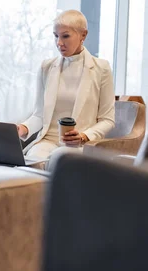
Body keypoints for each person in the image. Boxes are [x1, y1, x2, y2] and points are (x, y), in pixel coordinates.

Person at [17, 9, 115, 161]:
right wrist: (23, 128)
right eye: (56, 36)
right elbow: (39, 114)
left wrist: (84, 136)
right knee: (34, 158)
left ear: (83, 35)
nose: (59, 43)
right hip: (48, 140)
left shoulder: (101, 68)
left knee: (59, 158)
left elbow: (107, 120)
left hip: (78, 146)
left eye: (65, 36)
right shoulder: (46, 67)